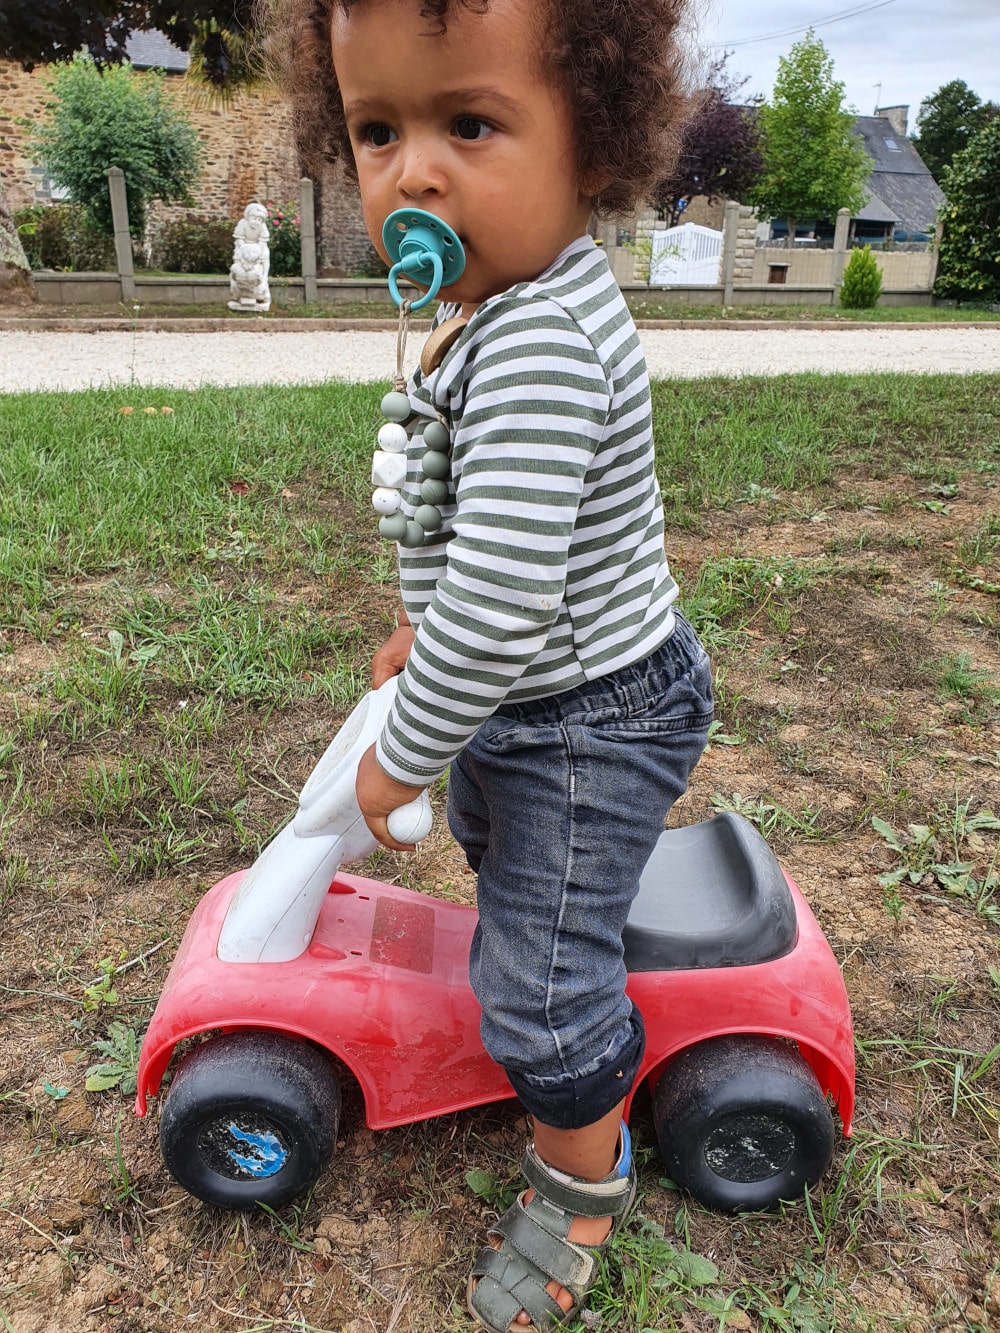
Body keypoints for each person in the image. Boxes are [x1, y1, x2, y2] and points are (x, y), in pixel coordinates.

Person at [277, 1, 711, 1328]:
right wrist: (429, 630)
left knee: (534, 980)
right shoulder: (492, 304)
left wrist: (401, 747)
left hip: (592, 713)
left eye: (469, 122)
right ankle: (549, 940)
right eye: (377, 128)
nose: (413, 171)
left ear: (596, 143)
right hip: (535, 690)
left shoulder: (535, 344)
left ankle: (583, 1182)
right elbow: (484, 536)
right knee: (489, 832)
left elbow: (512, 602)